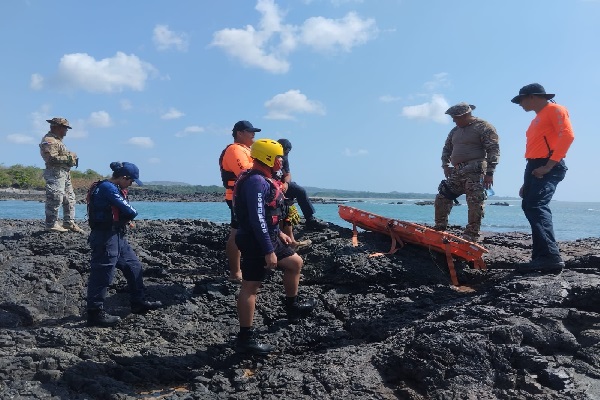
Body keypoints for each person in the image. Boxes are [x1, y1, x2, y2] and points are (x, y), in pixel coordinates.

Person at [233, 139, 317, 354]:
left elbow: (267, 215)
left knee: (294, 263)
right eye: (279, 157)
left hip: (268, 236)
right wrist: (269, 250)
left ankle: (292, 306)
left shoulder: (262, 178)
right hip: (256, 241)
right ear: (269, 158)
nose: (281, 162)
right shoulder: (256, 182)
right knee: (251, 287)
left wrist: (279, 232)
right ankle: (246, 338)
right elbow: (257, 217)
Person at [85, 162, 162, 327]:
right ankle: (94, 313)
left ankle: (138, 302)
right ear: (123, 178)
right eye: (131, 181)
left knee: (133, 265)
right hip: (105, 236)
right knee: (103, 273)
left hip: (116, 235)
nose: (132, 184)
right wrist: (127, 218)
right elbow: (131, 211)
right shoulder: (108, 188)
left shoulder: (110, 187)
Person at [511, 83, 575, 274]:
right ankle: (541, 257)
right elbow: (536, 149)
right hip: (533, 165)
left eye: (521, 100)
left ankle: (550, 257)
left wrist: (549, 166)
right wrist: (526, 182)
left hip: (548, 164)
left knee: (537, 205)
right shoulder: (536, 119)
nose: (520, 104)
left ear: (532, 97)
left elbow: (568, 136)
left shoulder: (555, 109)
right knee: (529, 205)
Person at [434, 102, 500, 242]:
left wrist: (490, 173)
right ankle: (440, 228)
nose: (453, 120)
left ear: (465, 115)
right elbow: (447, 148)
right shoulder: (455, 131)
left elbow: (493, 149)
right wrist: (445, 165)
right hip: (457, 171)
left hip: (475, 170)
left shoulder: (483, 127)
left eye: (455, 117)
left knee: (475, 202)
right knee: (442, 197)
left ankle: (471, 234)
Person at [219, 120, 259, 283]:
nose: (253, 135)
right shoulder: (234, 149)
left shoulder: (248, 150)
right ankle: (235, 273)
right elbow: (245, 171)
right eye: (250, 131)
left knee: (251, 231)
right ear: (239, 133)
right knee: (237, 232)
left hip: (248, 196)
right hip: (238, 198)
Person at [39, 117, 85, 233]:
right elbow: (50, 158)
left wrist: (70, 157)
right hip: (55, 173)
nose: (66, 131)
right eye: (64, 128)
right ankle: (51, 224)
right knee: (55, 197)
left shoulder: (57, 141)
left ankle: (69, 222)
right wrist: (69, 158)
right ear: (57, 127)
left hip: (64, 173)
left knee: (69, 198)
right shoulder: (49, 140)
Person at [276, 138, 328, 230]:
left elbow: (287, 174)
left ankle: (310, 220)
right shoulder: (270, 156)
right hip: (272, 184)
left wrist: (286, 184)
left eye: (287, 151)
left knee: (300, 191)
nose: (285, 153)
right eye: (284, 151)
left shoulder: (284, 158)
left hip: (283, 184)